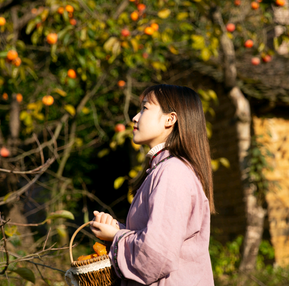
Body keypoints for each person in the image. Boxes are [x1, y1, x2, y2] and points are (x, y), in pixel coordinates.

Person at [90, 84, 215, 286]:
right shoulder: (164, 170)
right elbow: (158, 240)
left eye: (145, 108)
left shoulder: (172, 172)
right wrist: (116, 229)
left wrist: (116, 236)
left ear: (170, 119)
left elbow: (155, 256)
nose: (135, 118)